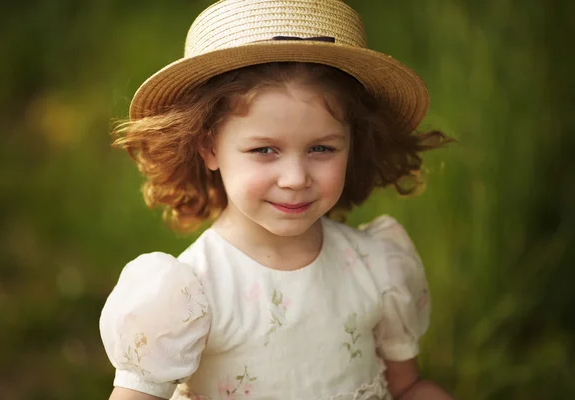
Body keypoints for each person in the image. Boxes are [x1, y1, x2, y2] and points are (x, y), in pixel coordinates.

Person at [99, 0, 455, 399]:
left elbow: (407, 387)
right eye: (265, 150)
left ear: (353, 143)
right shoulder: (189, 296)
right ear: (210, 147)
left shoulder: (376, 267)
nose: (295, 178)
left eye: (321, 149)